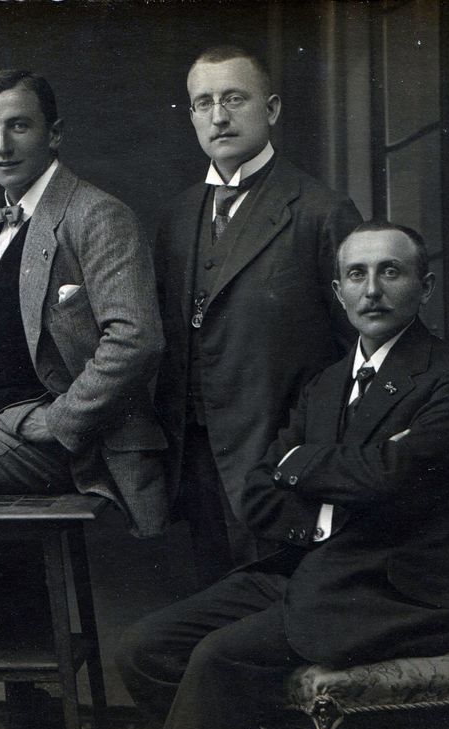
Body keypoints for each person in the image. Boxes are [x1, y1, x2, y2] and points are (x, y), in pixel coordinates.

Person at [116, 221, 449, 729]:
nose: (372, 290)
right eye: (357, 274)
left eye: (391, 272)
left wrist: (300, 462)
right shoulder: (326, 384)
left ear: (426, 287)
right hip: (304, 570)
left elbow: (391, 473)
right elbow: (257, 491)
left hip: (388, 593)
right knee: (144, 648)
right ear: (338, 292)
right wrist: (337, 497)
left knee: (218, 656)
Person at [0, 69, 168, 729]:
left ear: (54, 133)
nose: (1, 145)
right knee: (3, 573)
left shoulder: (96, 214)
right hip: (4, 424)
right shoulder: (4, 221)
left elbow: (136, 339)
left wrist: (61, 421)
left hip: (72, 442)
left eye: (18, 126)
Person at [154, 46, 363, 584]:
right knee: (212, 602)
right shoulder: (177, 216)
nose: (218, 117)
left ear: (270, 109)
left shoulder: (320, 211)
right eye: (204, 103)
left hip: (280, 460)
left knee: (274, 608)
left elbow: (361, 351)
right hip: (195, 461)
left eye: (234, 99)